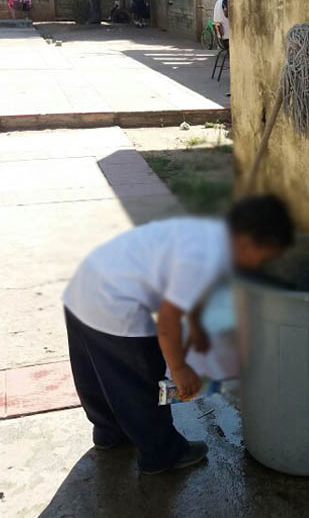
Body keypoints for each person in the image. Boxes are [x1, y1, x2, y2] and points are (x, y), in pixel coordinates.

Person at [62, 195, 294, 474]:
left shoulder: (208, 233)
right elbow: (168, 322)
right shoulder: (203, 259)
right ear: (247, 243)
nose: (261, 265)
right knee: (138, 382)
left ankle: (108, 432)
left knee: (96, 372)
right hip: (115, 306)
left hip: (83, 288)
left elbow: (185, 290)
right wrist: (180, 367)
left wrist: (195, 325)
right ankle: (162, 454)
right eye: (265, 257)